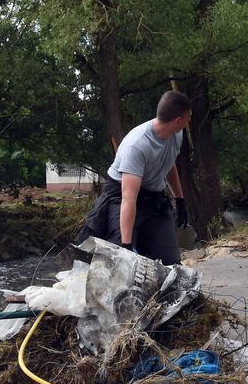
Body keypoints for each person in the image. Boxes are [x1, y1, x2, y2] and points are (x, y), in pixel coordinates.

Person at [77, 90, 192, 265]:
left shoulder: (176, 134)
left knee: (170, 261)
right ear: (178, 121)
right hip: (121, 196)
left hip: (153, 198)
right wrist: (126, 244)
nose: (189, 121)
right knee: (119, 259)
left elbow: (169, 164)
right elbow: (128, 199)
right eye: (188, 118)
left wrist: (180, 199)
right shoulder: (137, 146)